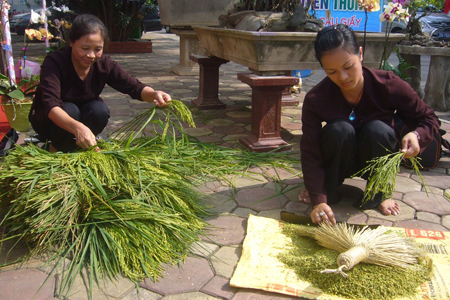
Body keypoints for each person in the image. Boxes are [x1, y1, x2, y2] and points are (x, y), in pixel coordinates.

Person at [299, 24, 440, 225]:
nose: (343, 77)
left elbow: (428, 117)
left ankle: (380, 192)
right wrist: (317, 197)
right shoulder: (316, 98)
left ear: (361, 55)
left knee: (379, 129)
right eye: (332, 72)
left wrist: (417, 135)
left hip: (376, 156)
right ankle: (329, 190)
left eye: (348, 66)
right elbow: (310, 150)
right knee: (339, 129)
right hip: (339, 159)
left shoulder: (388, 84)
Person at [29, 14, 171, 152]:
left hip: (82, 117)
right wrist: (78, 128)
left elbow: (134, 87)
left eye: (97, 49)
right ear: (71, 42)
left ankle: (77, 146)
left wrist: (154, 94)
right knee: (70, 110)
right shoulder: (54, 62)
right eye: (85, 49)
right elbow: (51, 106)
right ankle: (55, 148)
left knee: (99, 110)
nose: (91, 55)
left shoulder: (104, 64)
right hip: (51, 120)